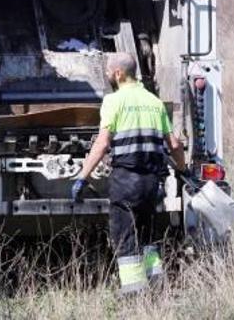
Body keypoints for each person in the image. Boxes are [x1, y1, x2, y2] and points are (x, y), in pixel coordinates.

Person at [72, 52, 187, 294]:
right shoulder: (154, 102)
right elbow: (174, 144)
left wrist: (83, 176)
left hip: (126, 180)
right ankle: (156, 282)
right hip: (151, 182)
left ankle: (134, 290)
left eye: (107, 70)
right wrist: (183, 170)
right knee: (146, 233)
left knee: (124, 235)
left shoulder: (113, 101)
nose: (105, 74)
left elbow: (102, 144)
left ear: (118, 73)